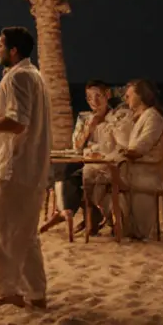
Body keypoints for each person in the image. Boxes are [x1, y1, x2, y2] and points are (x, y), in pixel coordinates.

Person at [0, 26, 53, 309]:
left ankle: (6, 292)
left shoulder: (17, 77)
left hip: (13, 167)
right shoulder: (36, 76)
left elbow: (18, 123)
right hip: (33, 167)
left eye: (0, 44)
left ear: (13, 50)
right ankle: (36, 293)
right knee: (25, 231)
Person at [41, 80, 134, 237]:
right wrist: (89, 128)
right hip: (86, 163)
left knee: (71, 174)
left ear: (107, 95)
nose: (94, 101)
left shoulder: (117, 117)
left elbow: (117, 145)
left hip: (106, 166)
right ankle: (73, 212)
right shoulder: (84, 117)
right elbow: (77, 145)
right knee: (65, 170)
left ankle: (66, 212)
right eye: (90, 98)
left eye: (98, 96)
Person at [83, 80, 163, 240]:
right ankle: (117, 218)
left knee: (91, 175)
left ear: (141, 95)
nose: (125, 97)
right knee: (93, 174)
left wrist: (121, 152)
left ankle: (111, 219)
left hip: (143, 172)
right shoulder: (142, 117)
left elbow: (138, 149)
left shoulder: (153, 118)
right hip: (132, 168)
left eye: (129, 94)